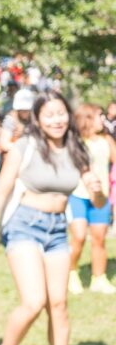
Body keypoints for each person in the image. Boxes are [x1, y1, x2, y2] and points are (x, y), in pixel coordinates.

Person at [0, 92, 105, 345]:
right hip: (25, 224)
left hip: (58, 228)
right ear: (38, 118)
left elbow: (96, 198)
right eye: (49, 115)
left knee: (58, 304)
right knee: (34, 301)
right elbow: (3, 188)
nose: (57, 120)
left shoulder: (77, 149)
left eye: (61, 113)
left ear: (68, 115)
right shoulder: (25, 146)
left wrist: (98, 191)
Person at [67, 104, 116, 294]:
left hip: (101, 197)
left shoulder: (107, 140)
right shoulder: (76, 142)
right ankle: (72, 272)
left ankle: (99, 277)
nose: (102, 120)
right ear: (86, 119)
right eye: (98, 116)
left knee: (99, 239)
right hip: (78, 195)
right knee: (78, 236)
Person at [0, 88, 35, 153]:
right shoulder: (11, 119)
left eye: (27, 110)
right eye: (22, 109)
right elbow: (4, 144)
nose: (24, 112)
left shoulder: (34, 119)